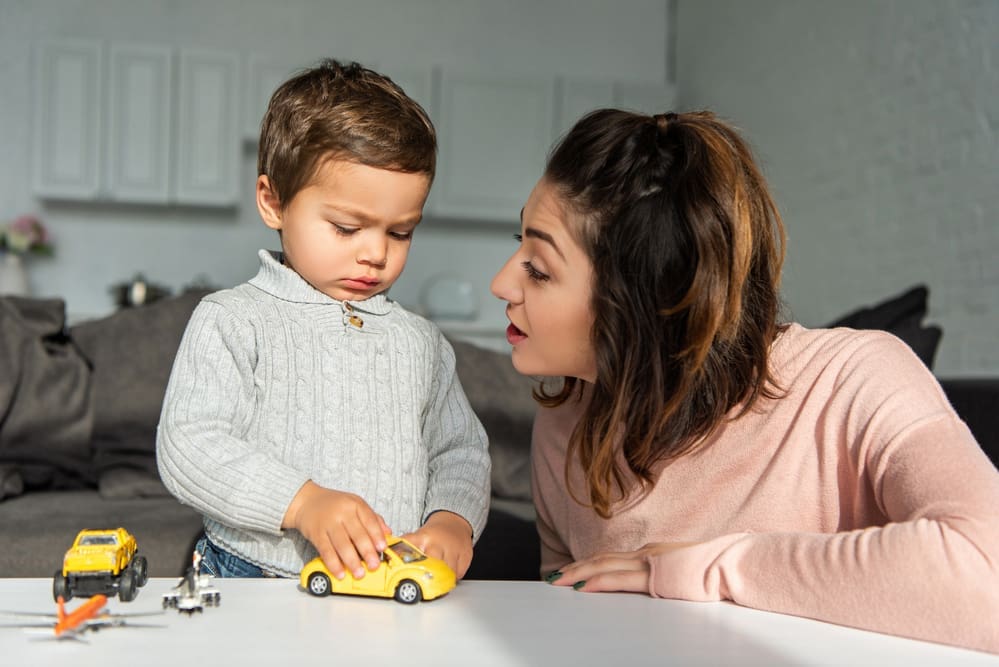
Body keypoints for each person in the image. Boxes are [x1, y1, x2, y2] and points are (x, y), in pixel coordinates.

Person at [490, 108, 999, 653]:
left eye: (539, 269)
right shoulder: (566, 424)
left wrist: (708, 569)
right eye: (519, 244)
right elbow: (569, 625)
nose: (501, 283)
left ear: (644, 299)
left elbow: (984, 572)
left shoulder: (857, 378)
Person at [157, 59, 491, 582]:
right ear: (274, 202)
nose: (376, 253)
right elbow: (189, 443)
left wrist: (453, 520)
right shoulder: (233, 321)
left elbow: (460, 451)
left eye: (400, 232)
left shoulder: (422, 343)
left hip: (382, 583)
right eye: (346, 227)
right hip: (251, 575)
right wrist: (302, 503)